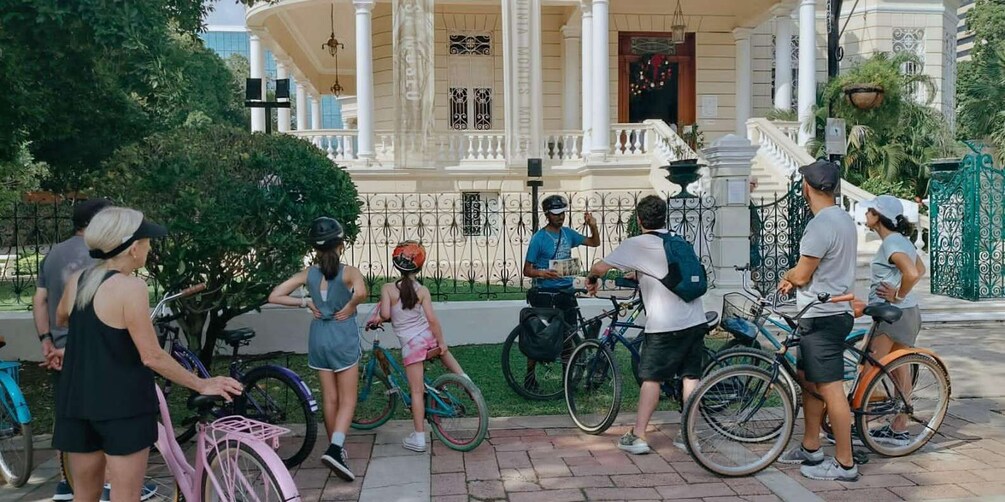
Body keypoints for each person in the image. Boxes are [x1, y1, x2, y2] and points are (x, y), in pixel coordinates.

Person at [49, 207, 243, 502]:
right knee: (126, 497)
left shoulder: (79, 281)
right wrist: (203, 383)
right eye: (147, 241)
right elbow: (151, 356)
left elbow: (62, 318)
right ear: (134, 248)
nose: (150, 247)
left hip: (77, 402)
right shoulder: (130, 287)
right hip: (122, 406)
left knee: (84, 496)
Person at [584, 195, 707, 455]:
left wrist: (592, 278)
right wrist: (638, 272)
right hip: (695, 318)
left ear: (639, 220)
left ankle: (638, 435)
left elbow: (600, 266)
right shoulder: (677, 240)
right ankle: (688, 435)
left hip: (665, 324)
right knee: (690, 376)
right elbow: (668, 269)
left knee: (651, 378)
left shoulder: (636, 244)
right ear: (664, 217)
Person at [776, 159, 860, 482]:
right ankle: (811, 446)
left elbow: (802, 272)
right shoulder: (844, 220)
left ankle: (844, 464)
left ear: (806, 188)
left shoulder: (821, 225)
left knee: (830, 390)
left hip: (823, 317)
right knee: (809, 381)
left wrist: (789, 276)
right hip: (822, 313)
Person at [268, 217, 366, 481]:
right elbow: (362, 292)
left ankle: (337, 450)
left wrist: (306, 303)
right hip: (342, 337)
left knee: (329, 399)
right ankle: (335, 448)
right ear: (341, 245)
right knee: (348, 399)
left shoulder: (308, 274)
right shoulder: (349, 272)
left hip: (318, 339)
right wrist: (351, 305)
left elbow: (274, 295)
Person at [33, 198, 112, 501]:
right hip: (92, 350)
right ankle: (104, 483)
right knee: (103, 416)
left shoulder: (54, 254)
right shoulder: (101, 256)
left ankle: (67, 483)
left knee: (68, 417)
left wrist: (46, 341)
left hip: (59, 351)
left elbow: (39, 300)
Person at [366, 241, 470, 452]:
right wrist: (441, 342)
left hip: (412, 347)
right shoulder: (422, 290)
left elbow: (386, 315)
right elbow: (431, 319)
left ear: (395, 264)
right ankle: (466, 381)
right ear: (420, 266)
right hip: (427, 338)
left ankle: (419, 438)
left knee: (416, 391)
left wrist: (378, 319)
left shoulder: (387, 288)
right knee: (444, 352)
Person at [858, 194, 926, 446]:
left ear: (878, 216)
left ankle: (858, 424)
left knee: (869, 368)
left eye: (869, 212)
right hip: (908, 313)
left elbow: (911, 272)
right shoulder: (901, 240)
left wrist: (898, 294)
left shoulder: (891, 243)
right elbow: (920, 270)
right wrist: (902, 294)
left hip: (891, 315)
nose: (865, 216)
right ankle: (899, 428)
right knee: (900, 369)